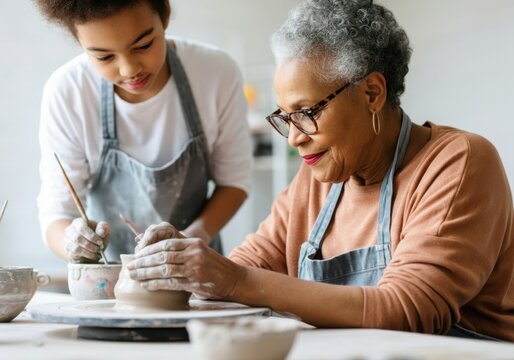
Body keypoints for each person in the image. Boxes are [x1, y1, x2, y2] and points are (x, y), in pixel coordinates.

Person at [127, 0, 514, 341]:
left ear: (372, 93)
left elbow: (407, 310)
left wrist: (233, 279)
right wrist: (183, 261)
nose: (294, 138)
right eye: (285, 117)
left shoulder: (458, 162)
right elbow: (242, 269)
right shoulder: (319, 179)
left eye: (307, 112)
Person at [35, 0, 252, 263]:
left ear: (165, 15)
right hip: (112, 283)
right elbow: (57, 212)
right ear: (77, 39)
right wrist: (72, 242)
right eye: (104, 57)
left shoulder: (215, 73)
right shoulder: (69, 92)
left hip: (197, 275)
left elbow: (234, 182)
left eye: (143, 45)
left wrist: (194, 236)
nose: (129, 69)